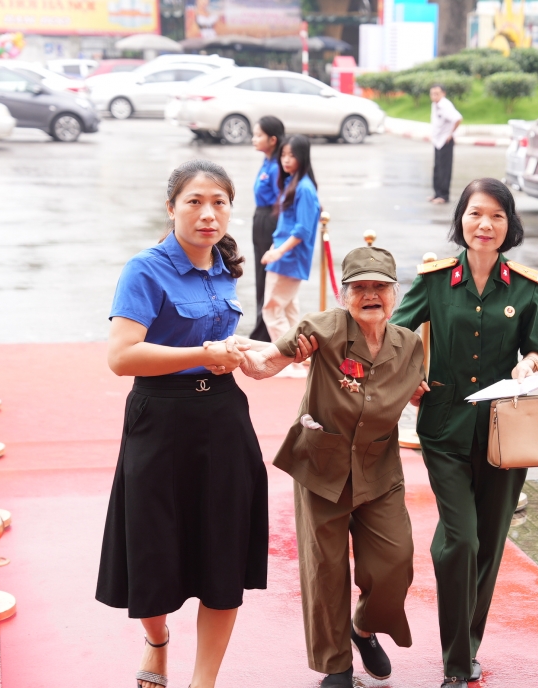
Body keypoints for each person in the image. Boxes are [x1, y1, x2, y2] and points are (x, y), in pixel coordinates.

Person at [96, 160, 273, 688]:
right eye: (194, 201)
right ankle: (157, 640)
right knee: (153, 552)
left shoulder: (225, 266)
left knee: (222, 558)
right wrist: (202, 351)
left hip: (222, 420)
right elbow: (122, 357)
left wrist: (263, 355)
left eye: (219, 202)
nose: (207, 213)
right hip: (160, 420)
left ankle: (204, 682)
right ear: (171, 207)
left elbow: (225, 351)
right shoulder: (145, 269)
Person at [240, 246, 427, 688]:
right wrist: (234, 356)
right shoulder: (320, 329)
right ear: (345, 295)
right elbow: (268, 364)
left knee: (395, 563)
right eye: (359, 287)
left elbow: (420, 395)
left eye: (379, 287)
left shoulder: (410, 346)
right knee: (325, 569)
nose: (370, 295)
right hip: (321, 466)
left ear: (394, 294)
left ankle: (361, 629)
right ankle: (335, 664)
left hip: (378, 470)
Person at [391, 178, 538, 688]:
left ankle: (468, 645)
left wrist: (529, 363)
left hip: (506, 432)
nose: (485, 225)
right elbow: (397, 332)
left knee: (489, 541)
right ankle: (457, 666)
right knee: (460, 540)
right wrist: (410, 373)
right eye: (476, 214)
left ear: (510, 225)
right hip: (444, 426)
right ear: (460, 219)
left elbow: (537, 347)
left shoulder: (527, 287)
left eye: (497, 217)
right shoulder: (436, 281)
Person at [260, 134, 320, 376]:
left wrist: (278, 253)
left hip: (288, 259)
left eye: (291, 155)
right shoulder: (296, 182)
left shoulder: (303, 187)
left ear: (302, 157)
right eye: (283, 155)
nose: (286, 160)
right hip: (286, 256)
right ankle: (300, 362)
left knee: (272, 308)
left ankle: (288, 362)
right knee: (288, 310)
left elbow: (302, 229)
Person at [249, 116, 285, 341]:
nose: (254, 139)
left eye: (258, 135)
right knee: (260, 276)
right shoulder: (266, 160)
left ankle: (265, 333)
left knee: (268, 277)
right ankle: (261, 327)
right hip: (260, 216)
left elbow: (281, 200)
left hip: (270, 219)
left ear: (272, 139)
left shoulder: (278, 166)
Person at [429, 84, 462, 205]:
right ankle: (437, 193)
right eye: (432, 94)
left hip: (445, 141)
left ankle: (444, 195)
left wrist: (451, 134)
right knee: (437, 168)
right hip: (437, 141)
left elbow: (458, 118)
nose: (434, 96)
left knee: (444, 169)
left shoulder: (445, 105)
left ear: (443, 93)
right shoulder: (435, 105)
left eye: (437, 93)